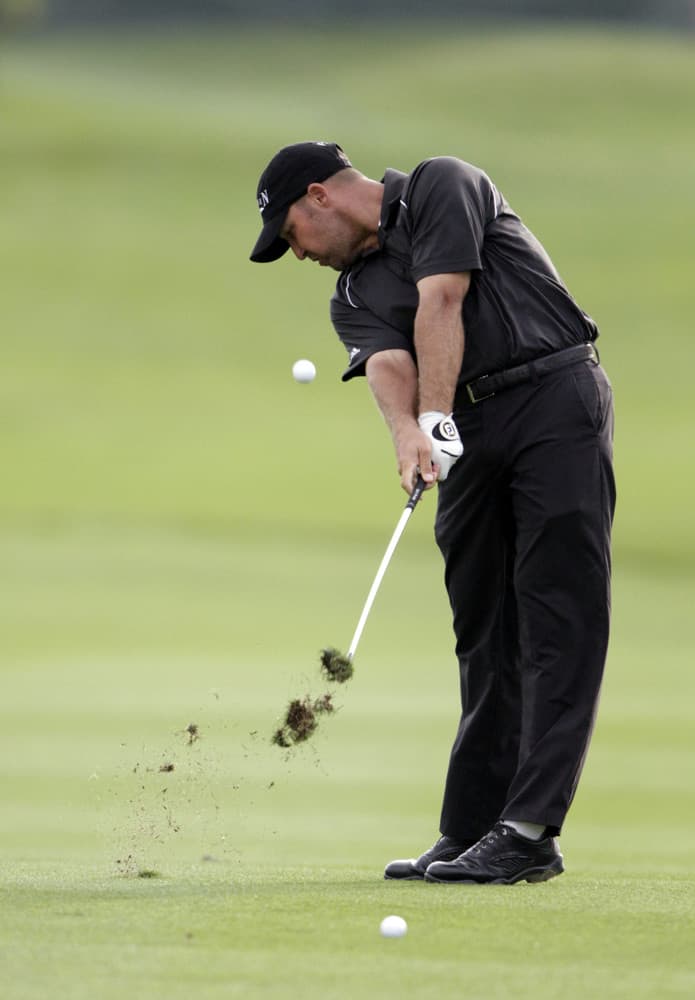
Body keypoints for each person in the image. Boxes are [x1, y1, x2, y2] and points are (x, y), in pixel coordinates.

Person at [249, 141, 616, 884]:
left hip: (553, 400)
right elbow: (387, 361)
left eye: (289, 234)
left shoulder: (441, 186)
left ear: (319, 196)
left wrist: (437, 412)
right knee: (482, 628)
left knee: (555, 619)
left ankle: (528, 831)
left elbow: (441, 296)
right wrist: (410, 434)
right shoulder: (349, 292)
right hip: (469, 435)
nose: (297, 253)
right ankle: (473, 825)